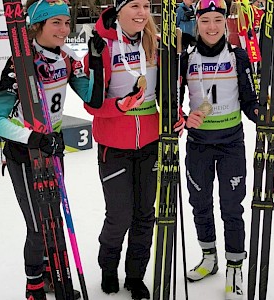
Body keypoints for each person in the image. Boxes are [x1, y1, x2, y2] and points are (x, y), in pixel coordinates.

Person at [0, 0, 98, 299]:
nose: (64, 29)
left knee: (54, 219)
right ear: (37, 26)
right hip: (25, 154)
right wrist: (32, 138)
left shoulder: (68, 58)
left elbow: (91, 97)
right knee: (37, 225)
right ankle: (33, 284)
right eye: (56, 23)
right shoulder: (19, 65)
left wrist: (96, 64)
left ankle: (52, 272)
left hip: (52, 148)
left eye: (66, 22)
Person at [179, 0, 274, 299]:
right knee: (199, 202)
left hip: (230, 143)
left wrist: (263, 115)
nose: (212, 27)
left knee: (231, 205)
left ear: (226, 22)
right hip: (198, 143)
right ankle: (209, 257)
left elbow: (249, 101)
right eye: (205, 20)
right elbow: (174, 103)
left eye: (217, 20)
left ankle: (235, 265)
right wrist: (185, 119)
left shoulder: (237, 56)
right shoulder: (186, 58)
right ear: (197, 22)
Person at [82, 0, 184, 299]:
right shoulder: (102, 47)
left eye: (145, 6)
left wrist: (174, 114)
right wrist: (118, 106)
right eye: (134, 6)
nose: (142, 12)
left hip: (151, 142)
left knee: (144, 214)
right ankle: (108, 268)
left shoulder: (157, 45)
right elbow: (91, 103)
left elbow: (169, 90)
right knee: (119, 215)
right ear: (119, 11)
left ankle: (136, 275)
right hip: (114, 143)